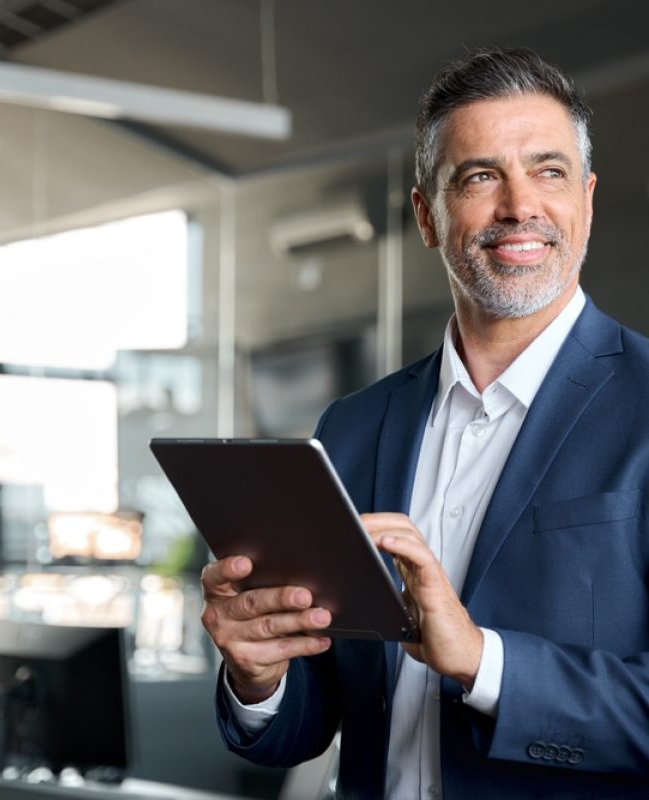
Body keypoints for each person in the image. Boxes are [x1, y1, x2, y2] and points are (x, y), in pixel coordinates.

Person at [200, 47, 649, 799]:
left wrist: (483, 661)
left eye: (549, 171)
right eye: (479, 176)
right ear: (426, 216)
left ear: (588, 199)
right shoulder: (353, 427)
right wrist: (259, 672)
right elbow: (310, 719)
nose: (519, 206)